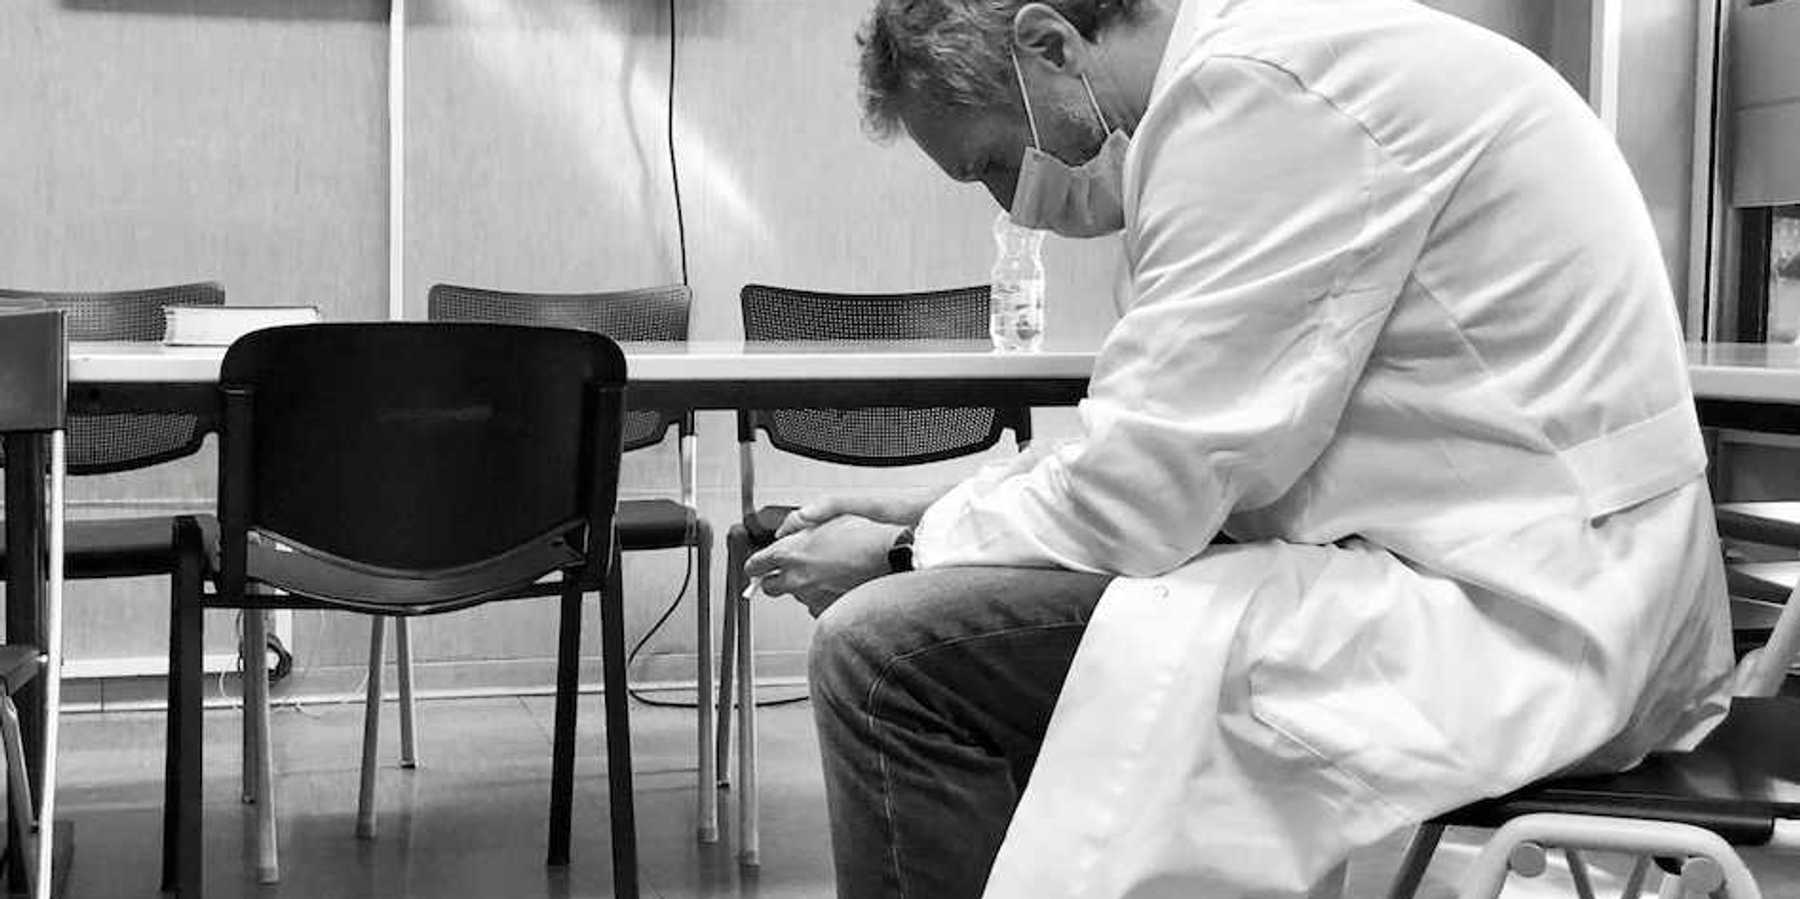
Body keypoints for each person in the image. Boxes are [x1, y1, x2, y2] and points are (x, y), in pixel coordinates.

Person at [743, 0, 1735, 896]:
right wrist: (924, 520)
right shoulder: (1271, 67)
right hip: (1531, 563)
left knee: (884, 654)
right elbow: (1160, 436)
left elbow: (1150, 492)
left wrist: (900, 556)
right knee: (986, 628)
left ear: (1050, 45)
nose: (1011, 205)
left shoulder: (1253, 95)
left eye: (993, 161)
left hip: (1531, 617)